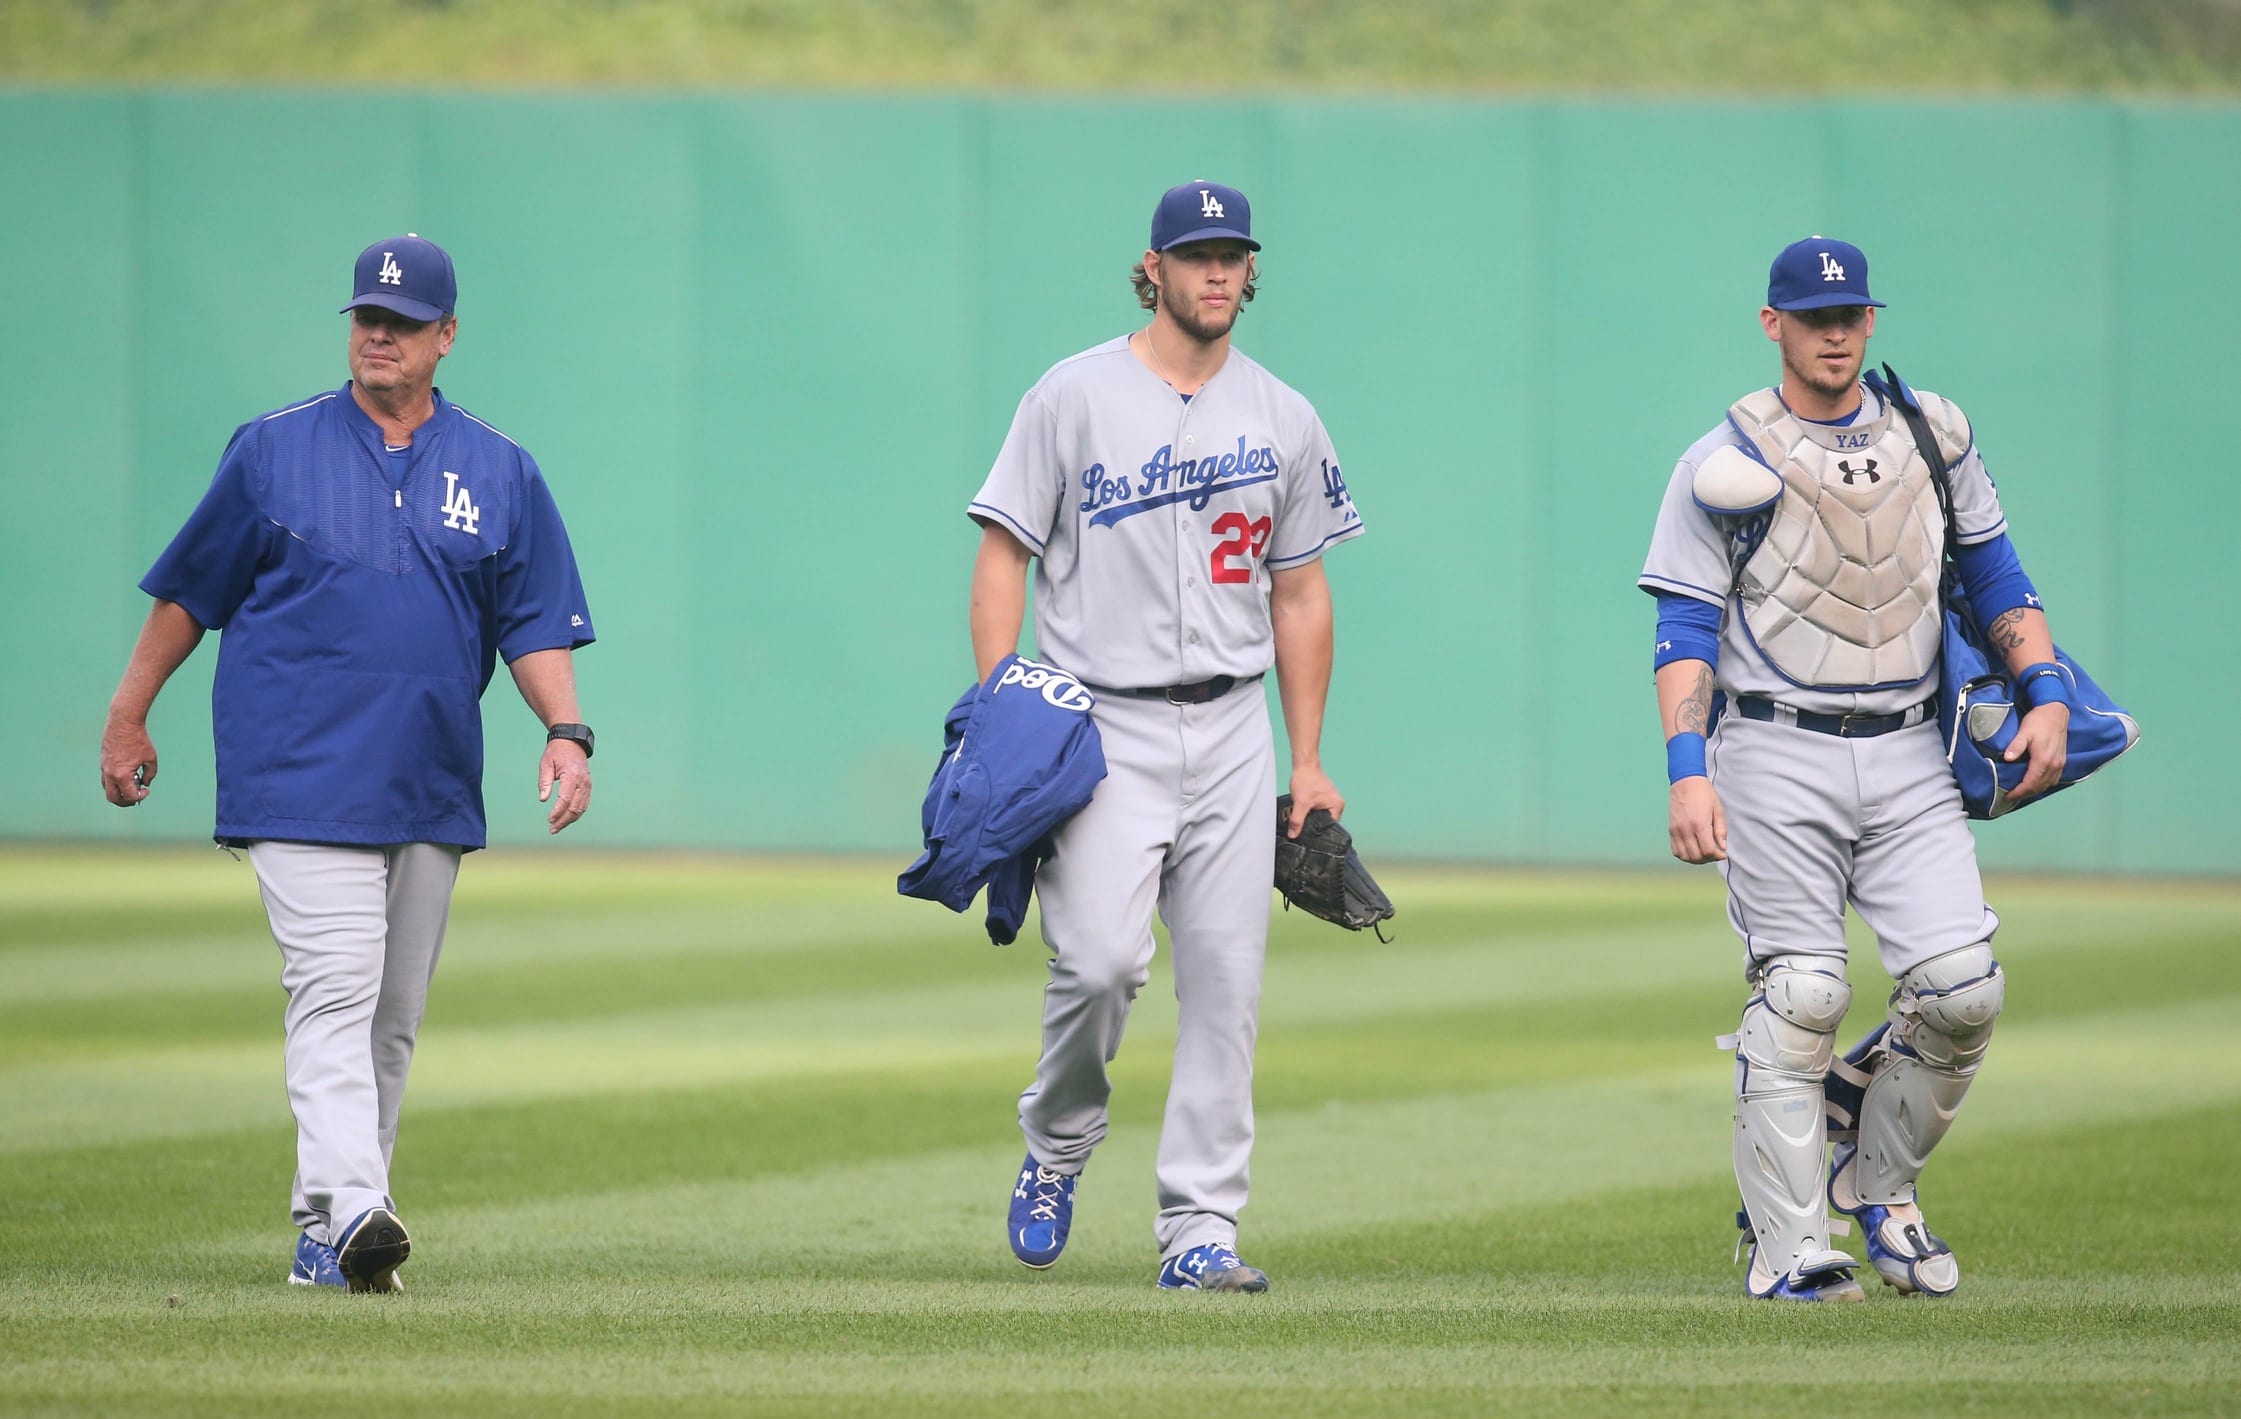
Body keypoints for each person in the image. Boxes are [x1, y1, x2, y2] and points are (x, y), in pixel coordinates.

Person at [97, 235, 597, 1292]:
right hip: (298, 769)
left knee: (391, 1018)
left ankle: (326, 1233)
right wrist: (129, 714)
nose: (378, 332)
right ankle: (363, 1202)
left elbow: (534, 620)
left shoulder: (500, 469)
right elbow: (190, 596)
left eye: (403, 321)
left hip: (428, 775)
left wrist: (567, 729)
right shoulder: (273, 450)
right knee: (333, 986)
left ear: (446, 338)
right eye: (367, 314)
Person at [1639, 237, 2069, 1301]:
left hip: (1911, 748)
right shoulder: (1725, 456)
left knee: (1962, 993)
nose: (1834, 333)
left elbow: (1995, 570)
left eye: (1851, 316)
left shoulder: (1933, 434)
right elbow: (1684, 627)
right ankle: (1786, 1254)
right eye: (1812, 316)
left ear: (1871, 321)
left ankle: (1882, 1191)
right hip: (1774, 748)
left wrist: (2048, 691)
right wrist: (1687, 768)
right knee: (1802, 990)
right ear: (1772, 323)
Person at [966, 181, 1364, 1292]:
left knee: (1228, 984)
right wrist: (1002, 697)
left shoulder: (1283, 413)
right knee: (1098, 965)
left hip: (1234, 726)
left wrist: (1309, 759)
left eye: (1233, 253)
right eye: (1196, 256)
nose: (1217, 272)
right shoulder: (1073, 396)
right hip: (1103, 724)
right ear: (1154, 269)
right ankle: (1056, 1143)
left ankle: (1200, 1230)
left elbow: (1302, 593)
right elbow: (1004, 553)